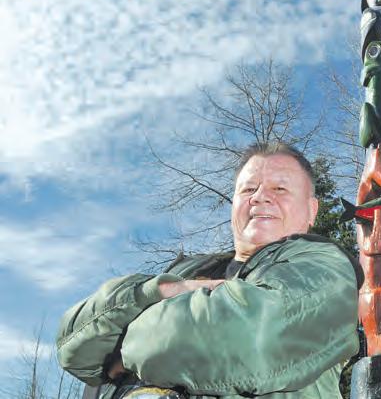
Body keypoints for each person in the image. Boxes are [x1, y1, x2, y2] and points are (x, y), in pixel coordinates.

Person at [56, 142, 363, 399]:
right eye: (248, 189)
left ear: (311, 210)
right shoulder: (187, 269)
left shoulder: (327, 268)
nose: (260, 196)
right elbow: (74, 348)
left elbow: (250, 337)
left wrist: (124, 348)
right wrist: (161, 290)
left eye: (280, 188)